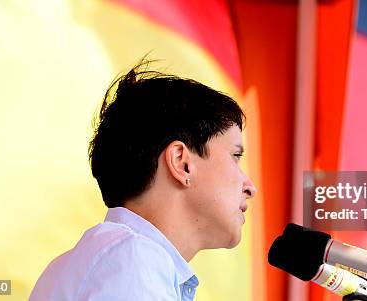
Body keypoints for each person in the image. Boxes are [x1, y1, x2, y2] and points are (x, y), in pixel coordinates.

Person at [29, 61, 257, 301]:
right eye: (235, 156)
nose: (250, 187)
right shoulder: (133, 258)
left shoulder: (106, 260)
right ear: (182, 162)